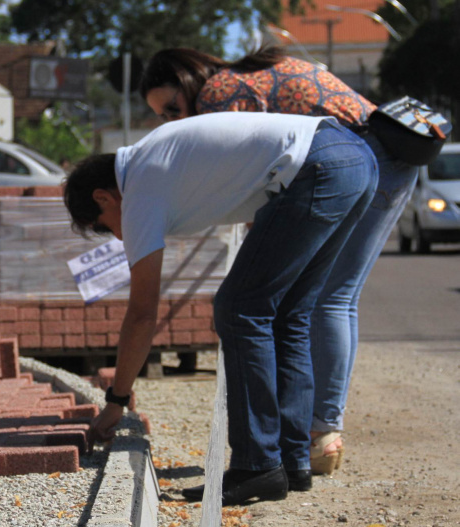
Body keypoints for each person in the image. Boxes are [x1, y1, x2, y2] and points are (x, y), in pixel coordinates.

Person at [65, 111, 377, 505]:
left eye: (108, 226)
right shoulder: (157, 157)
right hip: (357, 160)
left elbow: (143, 312)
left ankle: (257, 465)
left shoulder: (139, 185)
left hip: (318, 165)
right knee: (288, 314)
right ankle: (291, 460)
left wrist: (116, 401)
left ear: (103, 197)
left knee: (238, 307)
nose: (118, 234)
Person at [137, 46, 419, 475]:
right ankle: (319, 432)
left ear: (189, 79)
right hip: (393, 152)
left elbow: (251, 170)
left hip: (365, 156)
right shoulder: (244, 75)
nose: (173, 120)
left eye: (172, 107)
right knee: (337, 298)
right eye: (161, 116)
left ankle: (319, 434)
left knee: (324, 299)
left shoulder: (220, 94)